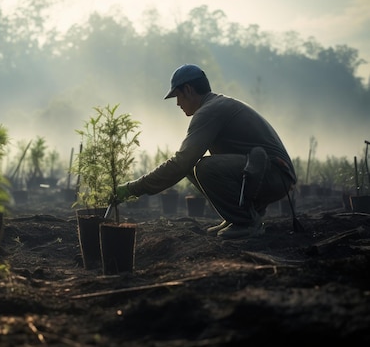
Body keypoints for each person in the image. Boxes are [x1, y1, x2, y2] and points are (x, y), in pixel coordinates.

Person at [115, 64, 297, 240]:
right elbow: (186, 162)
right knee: (192, 165)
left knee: (203, 167)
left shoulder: (209, 111)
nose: (178, 103)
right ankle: (237, 216)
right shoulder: (216, 105)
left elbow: (180, 162)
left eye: (178, 96)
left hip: (275, 175)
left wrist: (133, 189)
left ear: (188, 90)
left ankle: (246, 222)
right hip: (268, 174)